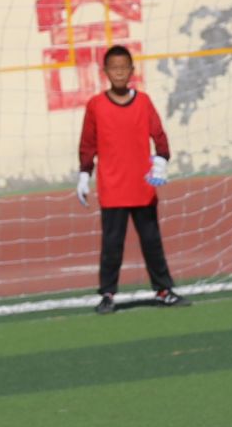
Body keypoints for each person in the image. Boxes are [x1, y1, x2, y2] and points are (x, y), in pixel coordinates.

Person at [76, 44, 187, 315]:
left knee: (152, 241)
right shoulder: (96, 106)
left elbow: (159, 136)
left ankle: (163, 289)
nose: (119, 73)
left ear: (132, 71)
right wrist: (83, 173)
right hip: (113, 189)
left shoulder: (144, 102)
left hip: (142, 188)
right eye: (114, 68)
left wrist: (161, 159)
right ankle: (108, 294)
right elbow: (88, 143)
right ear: (105, 72)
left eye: (124, 67)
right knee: (112, 245)